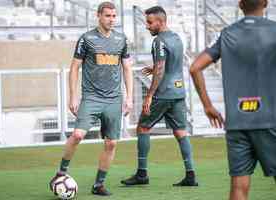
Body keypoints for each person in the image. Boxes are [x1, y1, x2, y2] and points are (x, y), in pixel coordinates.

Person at [190, 0, 276, 199]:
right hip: (270, 119)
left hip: (237, 121)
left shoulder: (228, 33)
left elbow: (195, 67)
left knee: (238, 186)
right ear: (266, 3)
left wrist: (208, 106)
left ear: (240, 5)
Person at [49, 1, 133, 196]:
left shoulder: (121, 39)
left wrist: (129, 98)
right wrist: (73, 96)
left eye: (114, 16)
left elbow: (127, 68)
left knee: (111, 143)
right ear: (98, 16)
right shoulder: (86, 39)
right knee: (78, 135)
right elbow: (75, 68)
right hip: (92, 98)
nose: (111, 20)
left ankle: (98, 185)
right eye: (107, 16)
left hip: (114, 99)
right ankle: (61, 172)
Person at [121, 6, 198, 187]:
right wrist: (154, 67)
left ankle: (142, 174)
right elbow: (171, 64)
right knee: (180, 132)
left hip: (163, 94)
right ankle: (191, 175)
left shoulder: (158, 42)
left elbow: (162, 69)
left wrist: (149, 96)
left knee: (143, 128)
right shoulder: (177, 38)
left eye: (149, 22)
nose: (147, 26)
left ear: (160, 22)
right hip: (179, 91)